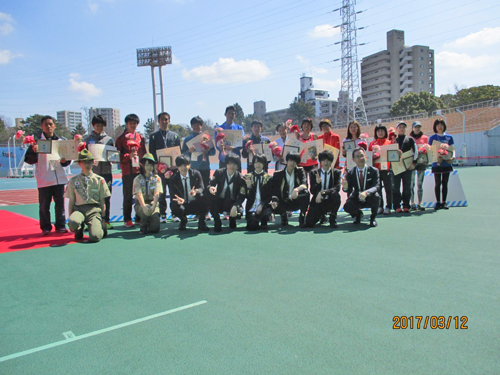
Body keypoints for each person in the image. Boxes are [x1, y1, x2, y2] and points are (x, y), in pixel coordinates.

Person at [24, 115, 71, 235]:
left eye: (51, 124)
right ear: (42, 127)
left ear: (54, 126)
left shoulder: (60, 142)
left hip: (59, 179)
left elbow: (67, 162)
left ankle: (60, 225)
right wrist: (34, 152)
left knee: (60, 204)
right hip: (44, 179)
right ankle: (45, 227)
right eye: (46, 124)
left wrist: (64, 161)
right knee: (44, 206)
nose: (49, 126)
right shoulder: (36, 143)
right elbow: (29, 160)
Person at [65, 149, 111, 242]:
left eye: (90, 162)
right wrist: (70, 220)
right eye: (84, 162)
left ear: (93, 162)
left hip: (94, 210)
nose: (87, 164)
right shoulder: (73, 181)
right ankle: (78, 229)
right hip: (79, 210)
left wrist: (103, 219)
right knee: (74, 222)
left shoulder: (99, 180)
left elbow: (103, 202)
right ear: (79, 163)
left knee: (96, 236)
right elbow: (71, 202)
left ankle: (99, 228)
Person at [148, 112, 181, 223]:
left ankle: (175, 213)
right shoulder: (153, 136)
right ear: (158, 121)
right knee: (161, 192)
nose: (164, 121)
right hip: (160, 170)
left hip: (173, 169)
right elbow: (152, 153)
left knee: (173, 192)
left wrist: (175, 165)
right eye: (162, 119)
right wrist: (156, 166)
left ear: (169, 121)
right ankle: (163, 214)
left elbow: (178, 152)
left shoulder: (175, 136)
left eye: (166, 119)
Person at [116, 114, 146, 228]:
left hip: (139, 171)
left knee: (140, 195)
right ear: (126, 124)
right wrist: (128, 156)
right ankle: (127, 219)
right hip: (127, 171)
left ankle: (139, 217)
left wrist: (145, 167)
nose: (133, 125)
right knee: (128, 196)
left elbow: (144, 154)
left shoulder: (141, 138)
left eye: (135, 123)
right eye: (130, 123)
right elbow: (117, 156)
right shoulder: (120, 139)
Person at [84, 115, 115, 229]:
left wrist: (113, 158)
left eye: (101, 125)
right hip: (92, 173)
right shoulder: (87, 140)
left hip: (107, 172)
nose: (99, 127)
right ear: (93, 126)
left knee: (106, 197)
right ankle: (91, 221)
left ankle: (106, 220)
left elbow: (113, 156)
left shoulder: (109, 140)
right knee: (92, 197)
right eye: (97, 125)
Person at [168, 155, 209, 231]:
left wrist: (196, 192)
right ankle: (183, 220)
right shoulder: (173, 179)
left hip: (195, 202)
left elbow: (201, 188)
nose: (183, 167)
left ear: (189, 165)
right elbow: (172, 195)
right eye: (180, 165)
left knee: (204, 198)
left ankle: (201, 222)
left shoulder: (196, 174)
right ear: (177, 166)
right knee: (174, 205)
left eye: (185, 165)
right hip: (182, 204)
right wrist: (179, 200)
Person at [342, 147, 380, 227]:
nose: (360, 158)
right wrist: (345, 187)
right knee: (347, 206)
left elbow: (377, 186)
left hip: (369, 196)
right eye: (357, 156)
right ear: (353, 159)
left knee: (377, 196)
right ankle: (357, 215)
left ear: (366, 156)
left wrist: (366, 192)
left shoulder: (374, 171)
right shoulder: (350, 172)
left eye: (362, 155)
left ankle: (373, 218)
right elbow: (348, 189)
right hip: (357, 196)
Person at [208, 153, 246, 232]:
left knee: (233, 226)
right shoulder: (219, 172)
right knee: (210, 197)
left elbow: (242, 195)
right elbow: (211, 185)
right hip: (220, 201)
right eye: (229, 163)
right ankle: (217, 221)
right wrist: (211, 188)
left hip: (232, 202)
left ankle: (233, 219)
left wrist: (235, 206)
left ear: (238, 166)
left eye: (234, 164)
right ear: (226, 164)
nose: (231, 166)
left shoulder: (241, 178)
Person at [270, 152, 309, 227]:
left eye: (295, 161)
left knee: (306, 194)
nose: (292, 163)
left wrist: (297, 190)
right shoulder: (278, 174)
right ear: (287, 161)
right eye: (291, 160)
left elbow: (304, 184)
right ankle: (283, 215)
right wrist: (274, 200)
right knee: (272, 203)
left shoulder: (300, 171)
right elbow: (274, 190)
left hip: (296, 199)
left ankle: (302, 216)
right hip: (283, 201)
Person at [305, 150, 341, 228]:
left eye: (328, 160)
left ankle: (333, 218)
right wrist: (317, 183)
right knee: (309, 223)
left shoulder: (336, 172)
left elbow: (337, 187)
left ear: (331, 161)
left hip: (330, 198)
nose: (326, 162)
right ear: (320, 161)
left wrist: (323, 192)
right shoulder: (314, 173)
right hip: (318, 200)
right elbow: (312, 190)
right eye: (323, 160)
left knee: (336, 195)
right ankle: (322, 216)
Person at [182, 116, 215, 189]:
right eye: (194, 125)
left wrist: (207, 151)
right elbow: (182, 154)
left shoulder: (207, 137)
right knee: (194, 189)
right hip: (193, 169)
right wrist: (189, 151)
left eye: (198, 125)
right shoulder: (187, 139)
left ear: (201, 126)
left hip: (205, 168)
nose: (196, 127)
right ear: (191, 126)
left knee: (206, 189)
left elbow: (213, 152)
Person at [428, 119, 455, 210]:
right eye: (438, 125)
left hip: (446, 164)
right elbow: (430, 150)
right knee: (437, 183)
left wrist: (452, 158)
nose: (440, 127)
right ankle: (438, 202)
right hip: (437, 164)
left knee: (445, 183)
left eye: (441, 125)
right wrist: (437, 158)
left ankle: (444, 202)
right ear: (435, 127)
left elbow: (452, 149)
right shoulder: (432, 138)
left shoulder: (449, 137)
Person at [133, 153, 162, 234]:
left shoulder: (157, 178)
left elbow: (157, 193)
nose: (149, 167)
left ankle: (150, 221)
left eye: (151, 165)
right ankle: (143, 224)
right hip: (140, 204)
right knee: (145, 211)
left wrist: (154, 206)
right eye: (146, 165)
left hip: (153, 203)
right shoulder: (137, 179)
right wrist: (144, 206)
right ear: (143, 166)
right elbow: (139, 194)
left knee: (155, 229)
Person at [392, 121, 418, 213]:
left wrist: (413, 163)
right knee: (396, 187)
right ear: (397, 129)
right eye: (400, 127)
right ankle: (396, 206)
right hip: (397, 166)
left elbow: (416, 152)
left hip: (407, 166)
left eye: (403, 127)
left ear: (406, 129)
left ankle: (406, 205)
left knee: (407, 186)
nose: (402, 129)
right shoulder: (393, 139)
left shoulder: (410, 139)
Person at [244, 154, 273, 230]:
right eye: (256, 162)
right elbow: (245, 196)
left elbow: (269, 196)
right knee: (252, 227)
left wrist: (262, 204)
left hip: (264, 205)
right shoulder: (247, 177)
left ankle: (266, 217)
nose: (258, 165)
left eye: (260, 162)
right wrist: (249, 187)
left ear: (264, 164)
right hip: (252, 206)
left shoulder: (269, 178)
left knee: (264, 226)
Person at [368, 124, 393, 215]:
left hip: (386, 169)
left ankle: (389, 206)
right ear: (376, 133)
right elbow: (368, 157)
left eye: (382, 130)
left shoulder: (389, 142)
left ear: (385, 132)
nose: (380, 132)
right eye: (378, 131)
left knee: (388, 189)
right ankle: (380, 206)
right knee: (378, 190)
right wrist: (373, 156)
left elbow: (392, 155)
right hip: (376, 170)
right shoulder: (372, 143)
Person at [215, 106, 245, 170]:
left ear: (235, 115)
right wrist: (221, 147)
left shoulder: (239, 128)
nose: (230, 115)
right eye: (229, 113)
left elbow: (242, 143)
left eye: (232, 114)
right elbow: (217, 145)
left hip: (236, 160)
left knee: (237, 179)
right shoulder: (219, 128)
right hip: (223, 160)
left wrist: (233, 147)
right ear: (225, 114)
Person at [409, 121, 429, 211]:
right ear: (412, 128)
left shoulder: (425, 138)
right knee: (412, 183)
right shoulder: (409, 138)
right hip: (412, 162)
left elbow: (428, 148)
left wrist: (424, 149)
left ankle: (420, 203)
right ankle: (412, 202)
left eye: (419, 127)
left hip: (421, 162)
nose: (417, 129)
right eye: (416, 127)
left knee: (420, 183)